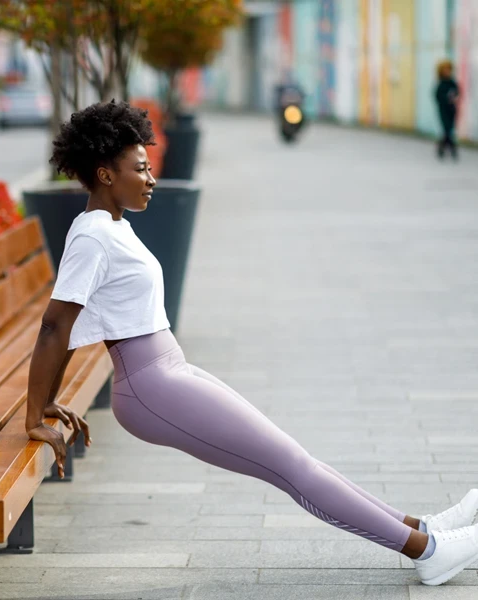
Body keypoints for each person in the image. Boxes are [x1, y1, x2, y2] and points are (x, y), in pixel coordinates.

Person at [24, 100, 478, 587]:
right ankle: (427, 552)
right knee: (290, 467)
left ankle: (421, 529)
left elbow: (73, 319)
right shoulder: (93, 235)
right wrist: (36, 413)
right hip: (151, 388)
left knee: (296, 458)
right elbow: (56, 324)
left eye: (150, 166)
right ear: (104, 174)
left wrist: (49, 399)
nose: (151, 177)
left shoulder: (113, 225)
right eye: (140, 168)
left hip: (168, 373)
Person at [435, 60, 460, 160]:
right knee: (447, 129)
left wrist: (454, 97)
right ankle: (452, 149)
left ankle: (441, 148)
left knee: (448, 130)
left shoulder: (452, 82)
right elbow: (437, 96)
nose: (447, 71)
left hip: (451, 110)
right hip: (443, 110)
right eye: (445, 70)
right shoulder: (441, 84)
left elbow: (458, 92)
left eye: (448, 69)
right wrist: (446, 98)